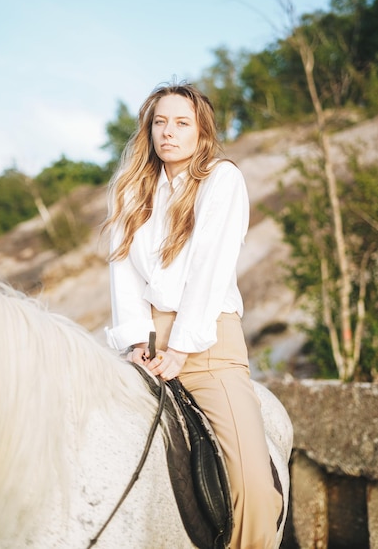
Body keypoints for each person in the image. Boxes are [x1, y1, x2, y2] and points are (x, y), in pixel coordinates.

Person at [103, 82, 283, 548]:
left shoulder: (222, 179)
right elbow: (123, 275)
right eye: (160, 122)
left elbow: (210, 268)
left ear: (201, 131)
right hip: (144, 350)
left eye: (182, 123)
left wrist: (180, 349)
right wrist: (136, 345)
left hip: (208, 346)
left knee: (255, 489)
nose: (169, 132)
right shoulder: (130, 191)